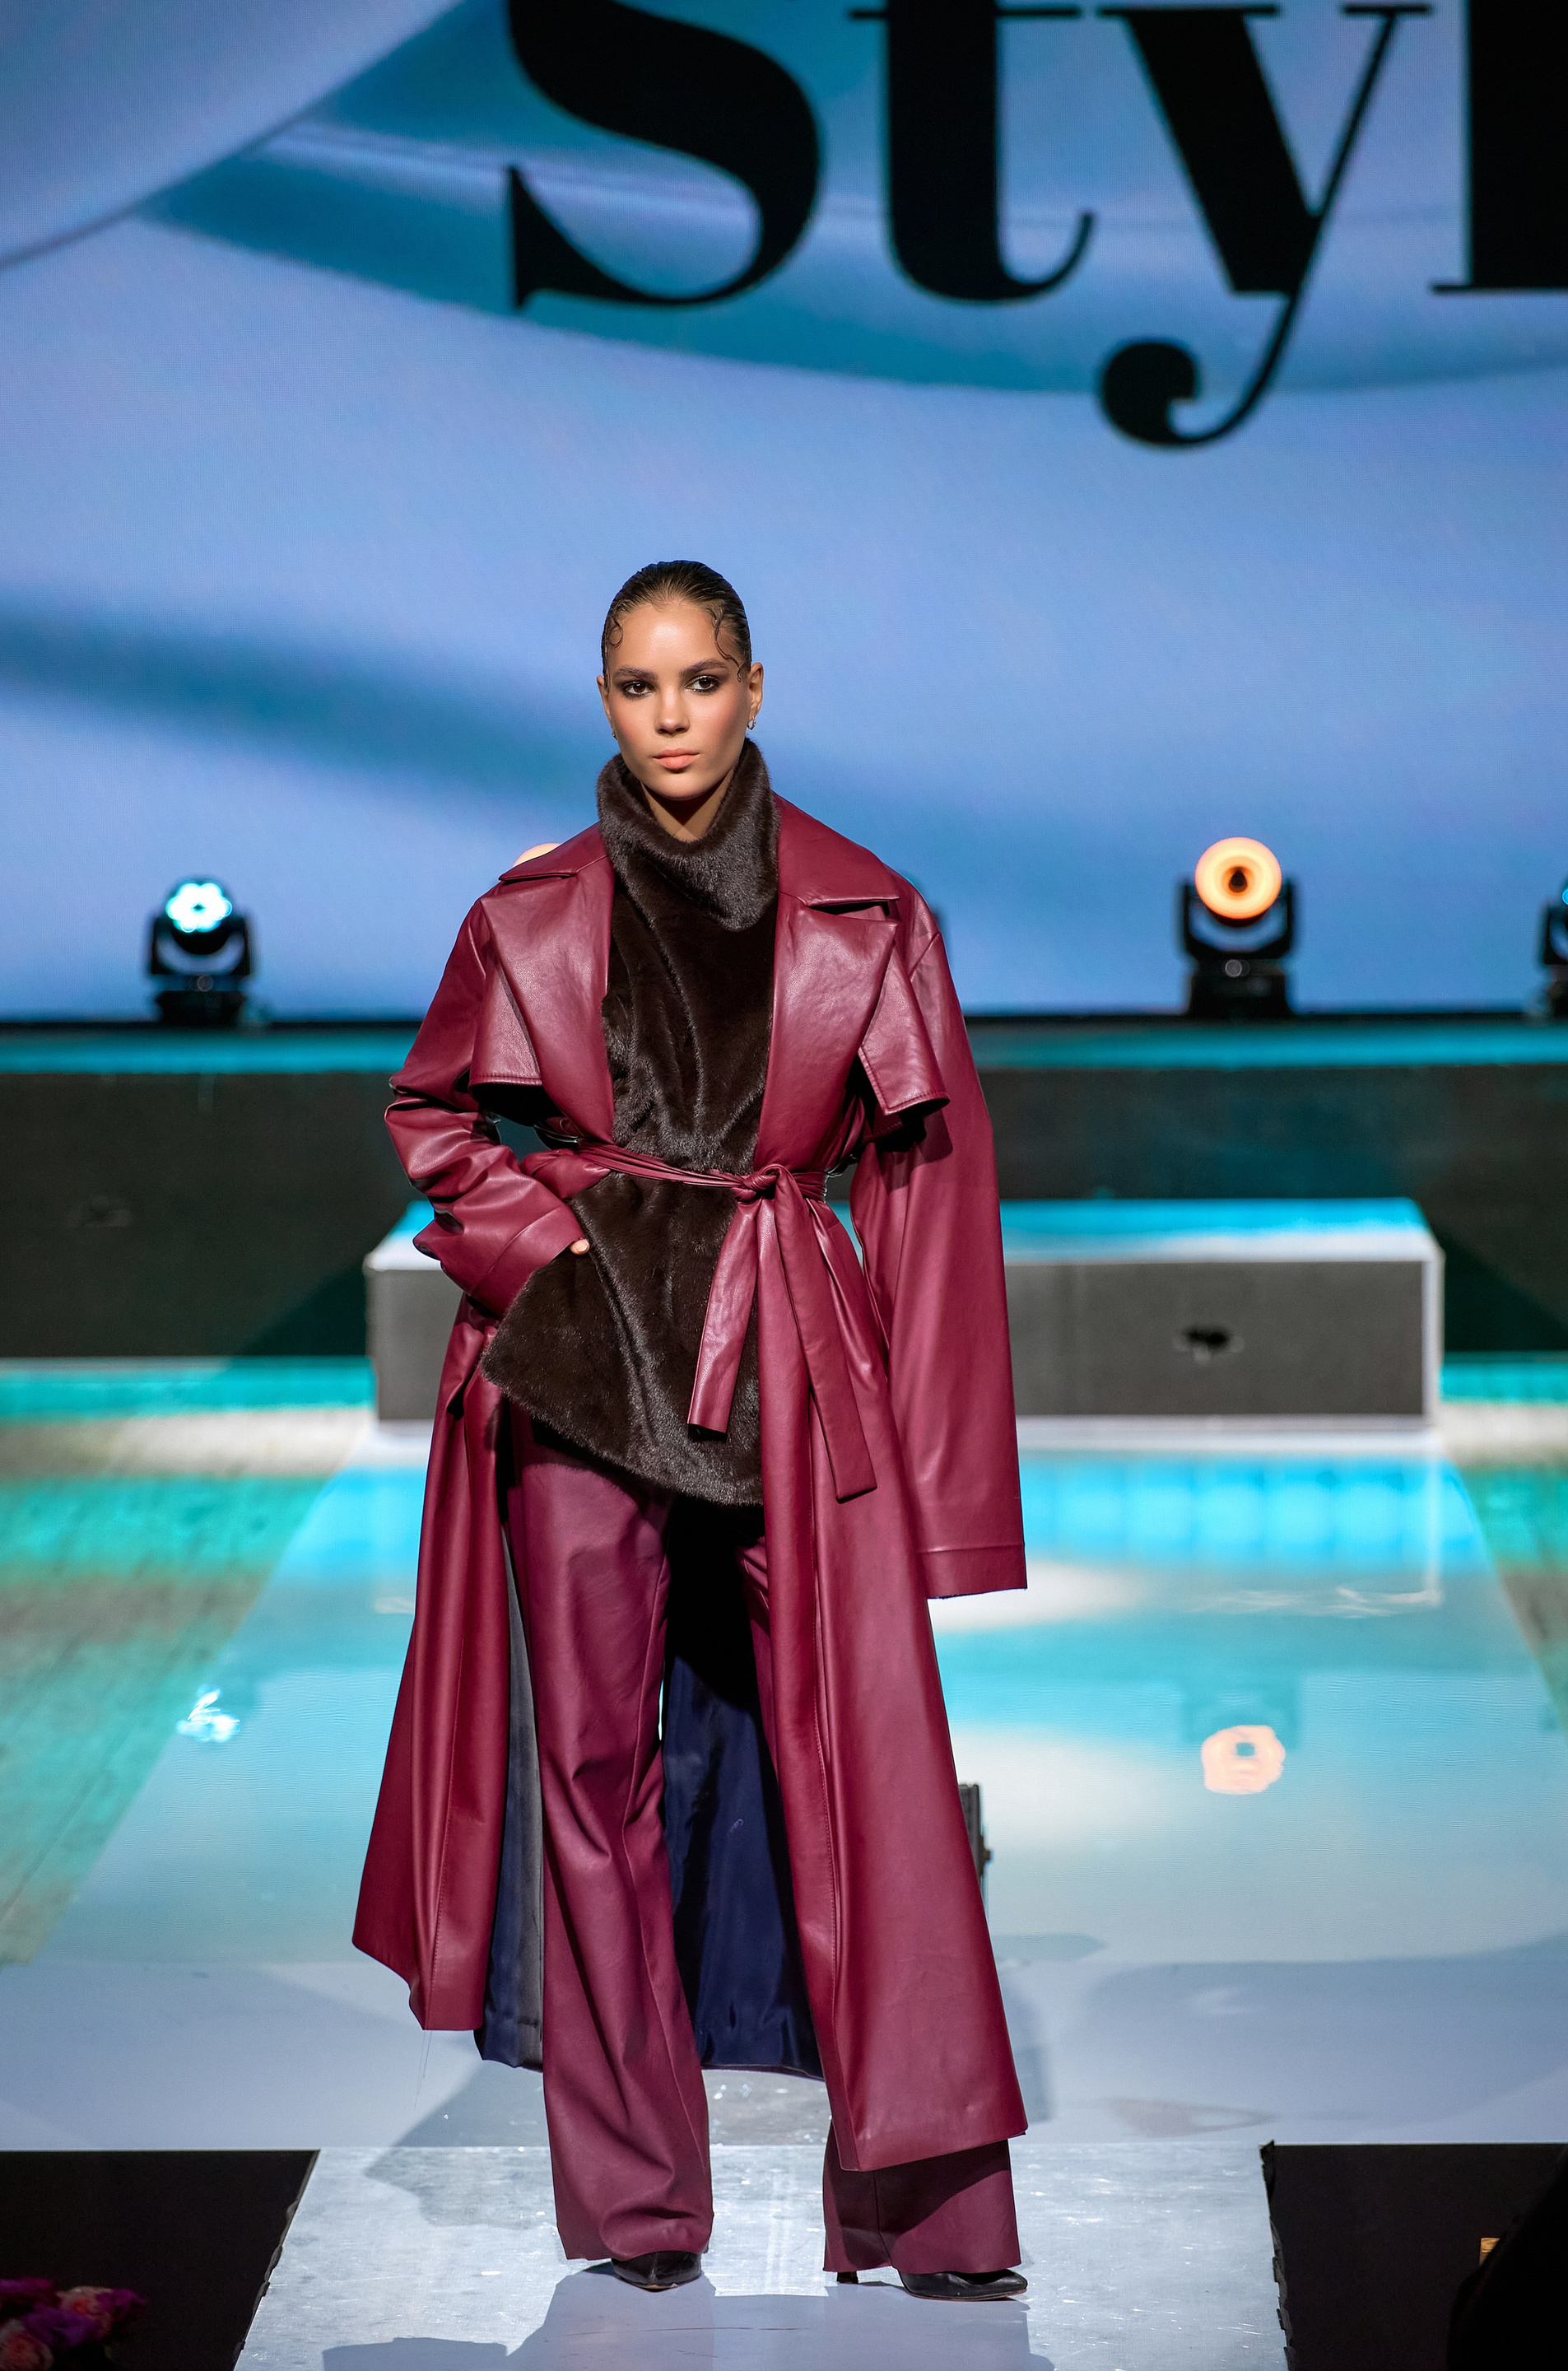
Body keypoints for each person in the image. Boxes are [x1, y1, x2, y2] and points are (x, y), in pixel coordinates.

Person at [355, 561, 1031, 2300]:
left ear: (753, 688)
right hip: (586, 1371)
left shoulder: (869, 909)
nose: (671, 717)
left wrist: (949, 1495)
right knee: (591, 1777)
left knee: (864, 1772)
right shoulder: (529, 909)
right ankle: (640, 2208)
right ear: (606, 700)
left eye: (700, 681)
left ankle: (924, 2211)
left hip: (787, 1353)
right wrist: (547, 1256)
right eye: (639, 687)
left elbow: (933, 1194)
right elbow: (435, 1115)